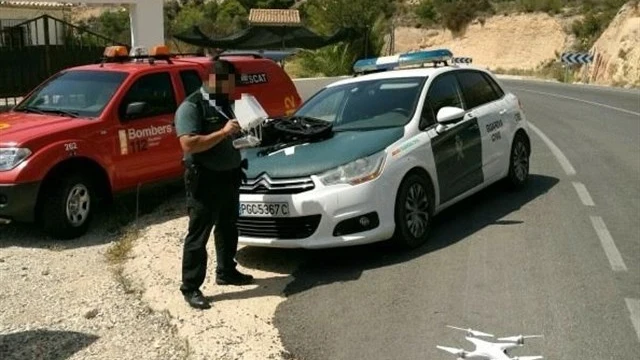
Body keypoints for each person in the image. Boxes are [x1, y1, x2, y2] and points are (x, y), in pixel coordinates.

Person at [174, 58, 254, 310]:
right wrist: (222, 132)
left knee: (228, 227)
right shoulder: (191, 107)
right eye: (229, 83)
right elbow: (189, 144)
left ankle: (226, 271)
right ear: (214, 81)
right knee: (199, 234)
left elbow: (232, 135)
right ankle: (191, 287)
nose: (233, 89)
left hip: (229, 175)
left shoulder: (226, 104)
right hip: (204, 178)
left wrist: (245, 136)